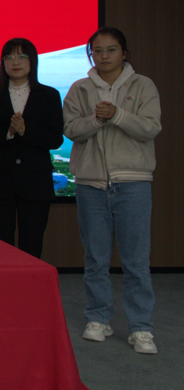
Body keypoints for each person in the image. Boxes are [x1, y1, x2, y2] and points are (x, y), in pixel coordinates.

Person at [63, 27, 161, 355]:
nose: (104, 56)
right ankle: (98, 318)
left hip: (133, 182)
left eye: (111, 50)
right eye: (98, 51)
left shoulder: (143, 85)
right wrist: (96, 120)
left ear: (124, 53)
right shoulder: (80, 88)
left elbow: (150, 128)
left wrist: (118, 114)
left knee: (136, 260)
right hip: (91, 184)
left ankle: (141, 327)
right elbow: (71, 129)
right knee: (96, 258)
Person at [0, 38, 63, 258]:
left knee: (32, 244)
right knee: (0, 246)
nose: (15, 62)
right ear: (2, 63)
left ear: (32, 61)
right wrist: (9, 132)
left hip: (35, 182)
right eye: (9, 57)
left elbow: (55, 139)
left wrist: (25, 130)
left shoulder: (49, 95)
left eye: (22, 56)